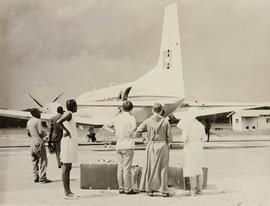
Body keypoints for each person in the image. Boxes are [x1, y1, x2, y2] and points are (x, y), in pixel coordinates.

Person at [135, 103, 174, 197]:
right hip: (163, 145)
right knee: (163, 168)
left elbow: (137, 131)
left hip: (151, 145)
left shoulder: (148, 121)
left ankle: (150, 189)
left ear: (152, 110)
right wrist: (169, 144)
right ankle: (164, 190)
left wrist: (144, 139)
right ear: (161, 111)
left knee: (150, 167)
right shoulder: (165, 121)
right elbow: (169, 137)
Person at [104, 100, 138, 195]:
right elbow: (134, 128)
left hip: (119, 145)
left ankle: (121, 188)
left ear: (123, 108)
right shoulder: (131, 118)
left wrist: (114, 132)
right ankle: (128, 189)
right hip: (128, 145)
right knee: (127, 168)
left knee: (120, 167)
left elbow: (105, 126)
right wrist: (130, 133)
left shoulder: (117, 118)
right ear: (131, 108)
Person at [177, 116, 207, 196]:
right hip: (199, 147)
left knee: (191, 169)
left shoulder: (187, 125)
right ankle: (200, 190)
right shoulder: (200, 125)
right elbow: (204, 138)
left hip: (190, 147)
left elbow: (183, 139)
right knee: (199, 169)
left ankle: (192, 191)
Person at [57, 99, 79, 200]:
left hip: (70, 143)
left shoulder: (70, 114)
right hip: (67, 143)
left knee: (68, 167)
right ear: (73, 106)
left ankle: (69, 191)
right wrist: (67, 131)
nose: (77, 107)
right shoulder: (69, 113)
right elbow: (58, 122)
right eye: (76, 105)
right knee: (66, 167)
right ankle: (67, 193)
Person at [27, 108, 51, 183]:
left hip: (32, 141)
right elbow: (40, 132)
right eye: (39, 112)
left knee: (34, 160)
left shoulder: (29, 121)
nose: (40, 113)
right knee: (43, 160)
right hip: (39, 141)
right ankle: (43, 178)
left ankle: (36, 176)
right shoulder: (38, 121)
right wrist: (46, 135)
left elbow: (28, 133)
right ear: (36, 113)